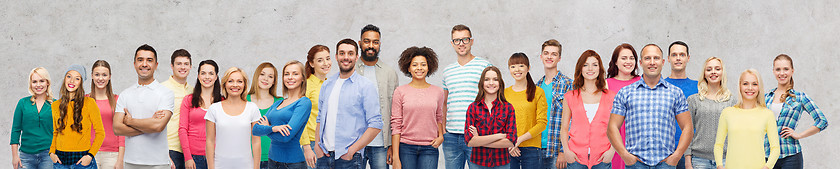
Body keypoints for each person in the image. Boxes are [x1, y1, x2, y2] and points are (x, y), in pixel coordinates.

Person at [607, 44, 693, 169]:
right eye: (647, 58)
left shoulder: (675, 93)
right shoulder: (626, 93)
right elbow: (612, 127)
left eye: (656, 58)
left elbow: (687, 127)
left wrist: (676, 156)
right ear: (641, 62)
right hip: (635, 164)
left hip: (666, 164)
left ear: (663, 62)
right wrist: (625, 156)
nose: (652, 62)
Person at [313, 39, 383, 169]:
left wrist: (352, 151)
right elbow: (320, 117)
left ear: (357, 57)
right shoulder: (327, 84)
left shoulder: (366, 86)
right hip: (324, 157)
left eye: (350, 53)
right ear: (336, 56)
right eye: (342, 53)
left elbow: (376, 124)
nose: (346, 57)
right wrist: (317, 145)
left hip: (349, 159)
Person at [113, 44, 176, 169]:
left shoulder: (166, 93)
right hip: (130, 162)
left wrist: (130, 121)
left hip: (158, 163)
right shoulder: (125, 94)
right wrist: (149, 125)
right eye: (140, 60)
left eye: (149, 60)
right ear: (134, 63)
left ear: (156, 65)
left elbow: (158, 126)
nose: (144, 64)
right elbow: (117, 128)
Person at [442, 24, 493, 169]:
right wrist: (444, 130)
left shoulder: (484, 66)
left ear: (472, 41)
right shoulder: (447, 71)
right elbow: (445, 103)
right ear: (452, 44)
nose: (461, 44)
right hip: (451, 136)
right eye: (457, 40)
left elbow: (493, 99)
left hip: (477, 135)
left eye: (465, 39)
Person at [764, 54, 829, 169]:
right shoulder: (765, 98)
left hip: (791, 156)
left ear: (792, 71)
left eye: (786, 69)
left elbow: (822, 121)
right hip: (766, 156)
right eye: (778, 69)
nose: (782, 73)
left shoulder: (800, 97)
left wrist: (798, 135)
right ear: (773, 71)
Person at [390, 46, 445, 169]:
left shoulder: (438, 92)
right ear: (408, 68)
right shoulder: (400, 91)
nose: (419, 68)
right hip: (405, 148)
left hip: (430, 148)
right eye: (415, 65)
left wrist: (441, 136)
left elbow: (439, 117)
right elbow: (396, 124)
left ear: (429, 66)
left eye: (423, 64)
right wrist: (395, 158)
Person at [713, 69, 780, 169]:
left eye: (754, 84)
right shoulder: (727, 113)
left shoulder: (767, 114)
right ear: (739, 86)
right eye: (745, 84)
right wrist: (719, 166)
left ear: (759, 87)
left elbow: (775, 148)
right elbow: (718, 145)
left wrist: (767, 167)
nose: (750, 88)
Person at [560, 50, 615, 169]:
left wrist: (612, 150)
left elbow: (616, 127)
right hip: (575, 158)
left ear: (599, 68)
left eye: (595, 65)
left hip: (602, 158)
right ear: (580, 68)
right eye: (585, 65)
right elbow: (564, 128)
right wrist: (566, 151)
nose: (590, 68)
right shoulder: (569, 97)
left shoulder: (611, 96)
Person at [253, 60, 312, 169]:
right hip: (272, 161)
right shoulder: (278, 103)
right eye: (286, 74)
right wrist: (274, 128)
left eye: (295, 74)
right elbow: (256, 130)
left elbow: (286, 137)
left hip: (292, 164)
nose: (290, 77)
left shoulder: (304, 102)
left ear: (303, 78)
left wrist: (267, 128)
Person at [355, 24, 399, 169]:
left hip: (381, 143)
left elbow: (395, 112)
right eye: (367, 41)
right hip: (354, 142)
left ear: (380, 44)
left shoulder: (389, 73)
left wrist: (392, 145)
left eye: (375, 42)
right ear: (360, 43)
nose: (371, 46)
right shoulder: (351, 70)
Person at [684, 57, 736, 169]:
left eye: (717, 69)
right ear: (704, 74)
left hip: (725, 160)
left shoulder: (732, 101)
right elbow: (687, 132)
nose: (713, 72)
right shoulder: (694, 100)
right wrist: (688, 162)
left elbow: (736, 134)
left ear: (722, 72)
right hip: (699, 160)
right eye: (709, 69)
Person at [49, 65, 105, 169]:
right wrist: (51, 153)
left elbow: (100, 133)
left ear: (81, 82)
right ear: (65, 78)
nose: (72, 81)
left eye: (77, 78)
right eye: (69, 76)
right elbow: (55, 132)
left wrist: (90, 156)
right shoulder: (55, 105)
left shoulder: (89, 103)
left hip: (82, 161)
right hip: (60, 162)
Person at [204, 67, 262, 169]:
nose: (235, 85)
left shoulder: (252, 108)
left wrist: (256, 167)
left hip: (246, 166)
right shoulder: (214, 109)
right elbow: (210, 141)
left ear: (244, 85)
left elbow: (256, 141)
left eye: (239, 81)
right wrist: (210, 167)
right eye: (230, 81)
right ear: (225, 84)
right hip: (219, 166)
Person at [465, 66, 517, 169]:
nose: (491, 83)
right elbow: (469, 141)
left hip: (501, 163)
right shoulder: (473, 107)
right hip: (478, 163)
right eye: (487, 79)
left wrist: (479, 140)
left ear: (500, 83)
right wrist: (500, 136)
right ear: (482, 83)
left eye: (495, 79)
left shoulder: (508, 108)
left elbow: (511, 141)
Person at [505, 53, 547, 169]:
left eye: (521, 65)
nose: (517, 70)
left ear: (528, 68)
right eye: (513, 66)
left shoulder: (538, 92)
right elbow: (501, 122)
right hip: (508, 149)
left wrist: (518, 140)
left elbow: (542, 123)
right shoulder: (504, 93)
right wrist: (510, 143)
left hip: (532, 149)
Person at [179, 60, 223, 169]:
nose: (207, 77)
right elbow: (182, 129)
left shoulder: (223, 101)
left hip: (217, 156)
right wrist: (188, 157)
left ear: (216, 77)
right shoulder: (188, 100)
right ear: (198, 76)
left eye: (211, 73)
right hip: (194, 157)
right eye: (203, 73)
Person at [536, 39, 573, 169]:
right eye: (546, 53)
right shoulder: (537, 86)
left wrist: (564, 150)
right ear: (541, 57)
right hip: (536, 149)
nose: (549, 57)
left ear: (559, 58)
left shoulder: (568, 84)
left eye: (554, 54)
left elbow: (573, 120)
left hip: (556, 150)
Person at [11, 67, 56, 169]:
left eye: (42, 81)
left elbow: (60, 131)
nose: (38, 85)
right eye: (34, 81)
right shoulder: (22, 103)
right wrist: (14, 156)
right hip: (26, 156)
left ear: (47, 83)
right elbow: (15, 130)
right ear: (30, 84)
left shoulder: (55, 104)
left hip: (48, 155)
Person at [605, 43, 640, 169]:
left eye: (631, 58)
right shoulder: (606, 84)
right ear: (615, 61)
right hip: (613, 140)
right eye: (624, 58)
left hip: (637, 138)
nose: (628, 61)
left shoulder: (642, 82)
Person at [663, 41, 697, 169]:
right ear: (668, 59)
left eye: (682, 55)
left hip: (690, 153)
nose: (678, 58)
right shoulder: (659, 86)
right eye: (674, 55)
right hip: (664, 152)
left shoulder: (698, 87)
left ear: (688, 58)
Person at [88, 60, 127, 169]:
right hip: (88, 153)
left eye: (104, 75)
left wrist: (120, 160)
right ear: (92, 76)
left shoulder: (117, 100)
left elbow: (122, 132)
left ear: (109, 76)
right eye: (97, 74)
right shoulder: (85, 100)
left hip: (112, 155)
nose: (100, 78)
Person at [246, 62, 283, 169]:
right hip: (248, 158)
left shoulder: (280, 102)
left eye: (270, 76)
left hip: (274, 159)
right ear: (256, 76)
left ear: (274, 81)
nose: (266, 79)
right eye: (262, 74)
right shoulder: (244, 100)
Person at [300, 45, 331, 169]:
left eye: (328, 59)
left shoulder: (331, 84)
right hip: (312, 144)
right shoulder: (306, 85)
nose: (326, 63)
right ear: (312, 64)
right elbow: (300, 120)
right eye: (320, 60)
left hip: (329, 144)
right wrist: (307, 147)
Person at [162, 49, 194, 169]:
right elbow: (154, 124)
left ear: (190, 67)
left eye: (186, 64)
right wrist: (164, 154)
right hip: (169, 149)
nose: (182, 67)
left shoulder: (193, 91)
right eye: (179, 64)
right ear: (172, 66)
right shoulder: (162, 89)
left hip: (189, 151)